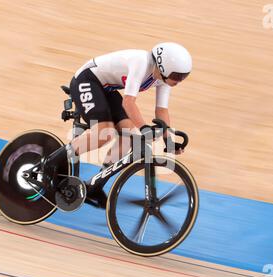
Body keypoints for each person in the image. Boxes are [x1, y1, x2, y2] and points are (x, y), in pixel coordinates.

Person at [46, 42, 193, 207]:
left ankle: (95, 186)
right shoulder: (142, 63)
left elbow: (161, 110)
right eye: (177, 76)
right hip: (87, 80)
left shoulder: (164, 79)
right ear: (162, 67)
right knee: (104, 133)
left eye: (183, 77)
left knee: (130, 137)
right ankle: (50, 164)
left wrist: (169, 141)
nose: (178, 81)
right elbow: (128, 103)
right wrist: (144, 128)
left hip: (106, 90)